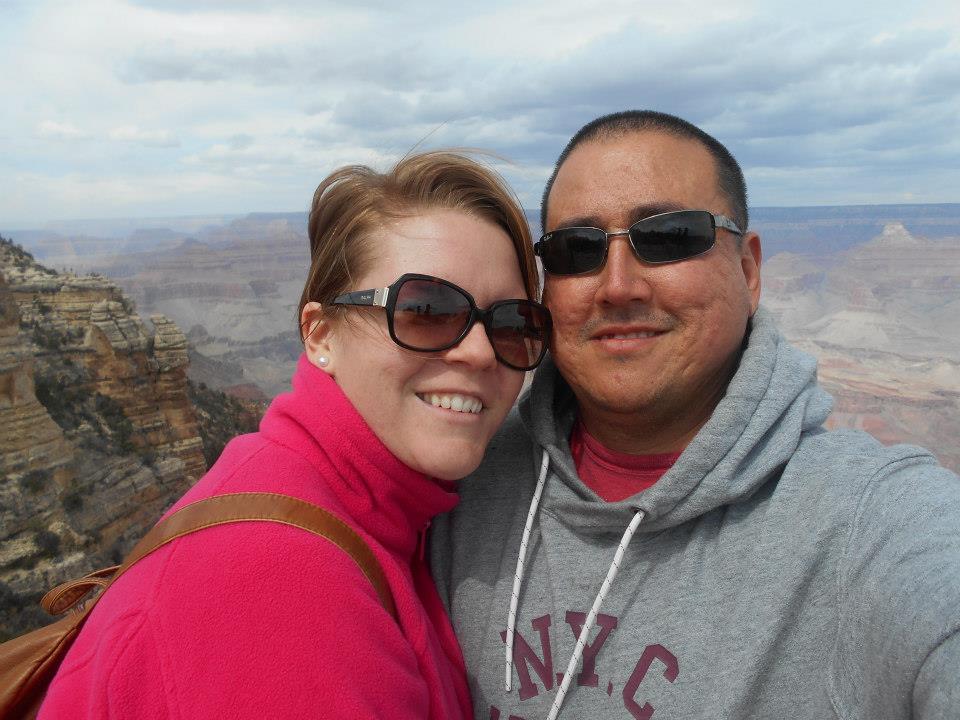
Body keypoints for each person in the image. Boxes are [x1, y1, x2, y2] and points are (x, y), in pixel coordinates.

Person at [431, 111, 960, 720]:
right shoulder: (459, 476)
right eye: (578, 249)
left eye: (670, 237)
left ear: (749, 271)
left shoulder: (872, 522)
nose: (618, 286)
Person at [38, 151, 552, 719]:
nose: (480, 352)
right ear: (321, 334)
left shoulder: (365, 507)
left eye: (513, 323)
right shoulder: (274, 582)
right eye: (426, 310)